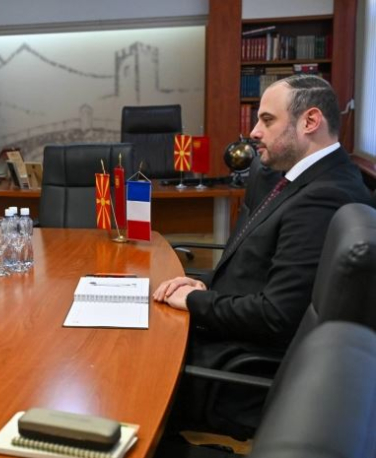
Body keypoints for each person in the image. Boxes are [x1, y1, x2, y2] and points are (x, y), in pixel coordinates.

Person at [153, 75, 373, 435]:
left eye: (267, 120)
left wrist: (194, 300)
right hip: (229, 338)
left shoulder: (324, 197)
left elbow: (275, 315)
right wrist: (200, 286)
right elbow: (256, 270)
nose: (254, 132)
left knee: (121, 367)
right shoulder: (300, 178)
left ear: (310, 121)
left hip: (236, 375)